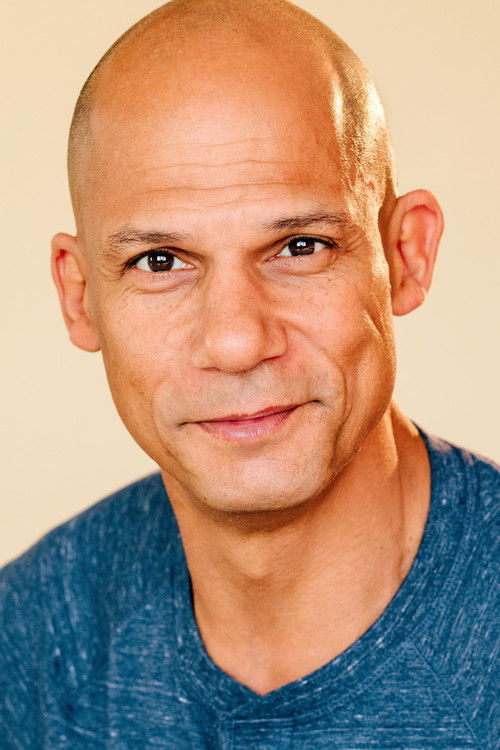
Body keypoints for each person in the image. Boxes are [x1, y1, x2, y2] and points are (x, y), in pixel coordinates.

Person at [1, 0, 498, 746]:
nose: (236, 342)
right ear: (80, 297)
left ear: (406, 255)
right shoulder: (29, 649)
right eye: (160, 262)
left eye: (300, 247)